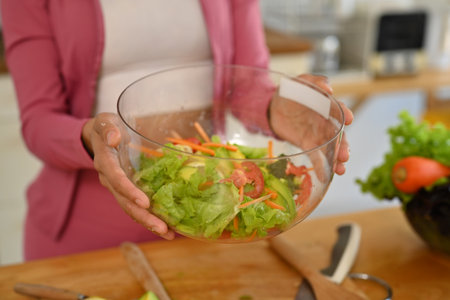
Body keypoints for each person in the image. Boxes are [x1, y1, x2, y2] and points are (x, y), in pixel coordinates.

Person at [1, 0, 353, 260]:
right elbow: (39, 120)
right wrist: (93, 138)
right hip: (83, 236)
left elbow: (247, 83)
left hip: (208, 220)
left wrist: (277, 106)